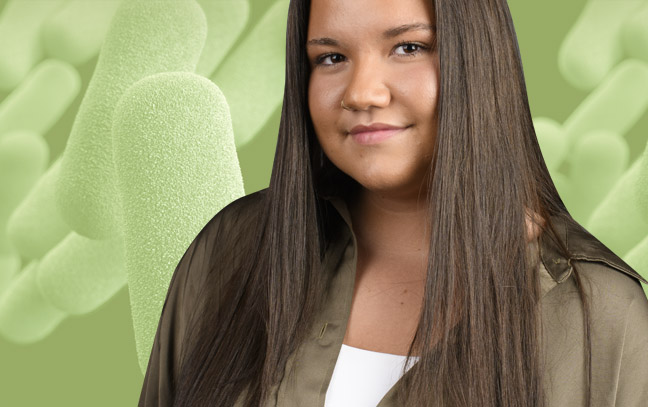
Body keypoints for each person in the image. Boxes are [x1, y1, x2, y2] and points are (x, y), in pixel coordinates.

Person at [138, 0, 648, 405]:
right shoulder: (229, 251)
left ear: (482, 56)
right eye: (330, 57)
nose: (362, 93)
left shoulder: (601, 313)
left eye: (408, 47)